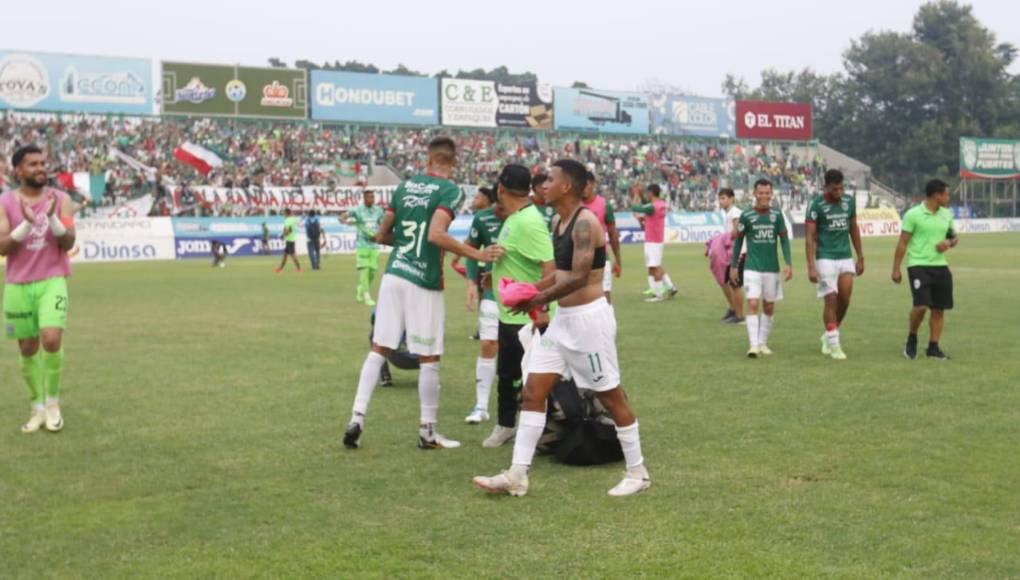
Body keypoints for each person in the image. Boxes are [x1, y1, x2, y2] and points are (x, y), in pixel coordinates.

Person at [473, 159, 650, 497]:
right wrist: (530, 290)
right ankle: (517, 474)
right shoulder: (558, 220)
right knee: (533, 391)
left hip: (589, 323)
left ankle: (637, 471)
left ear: (566, 186)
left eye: (550, 179)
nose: (543, 185)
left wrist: (535, 298)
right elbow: (561, 272)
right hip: (563, 322)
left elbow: (579, 276)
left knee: (610, 396)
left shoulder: (585, 224)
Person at [343, 137, 502, 451]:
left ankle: (357, 418)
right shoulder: (450, 190)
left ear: (428, 160)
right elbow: (436, 234)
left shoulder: (404, 187)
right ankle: (427, 431)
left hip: (394, 274)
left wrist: (404, 245)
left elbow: (381, 233)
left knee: (379, 348)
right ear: (452, 163)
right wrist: (477, 255)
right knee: (430, 357)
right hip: (424, 280)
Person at [0, 145, 76, 433]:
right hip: (18, 285)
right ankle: (37, 407)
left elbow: (68, 242)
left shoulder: (62, 199)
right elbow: (2, 246)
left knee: (52, 338)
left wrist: (53, 218)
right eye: (33, 164)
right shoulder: (5, 202)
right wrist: (27, 225)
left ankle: (53, 402)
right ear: (18, 170)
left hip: (52, 280)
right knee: (28, 347)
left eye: (43, 163)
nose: (40, 168)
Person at [483, 164, 555, 448]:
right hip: (510, 313)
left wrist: (543, 308)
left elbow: (550, 268)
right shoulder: (516, 217)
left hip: (528, 316)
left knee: (533, 377)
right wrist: (497, 272)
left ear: (501, 189)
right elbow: (519, 258)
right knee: (507, 373)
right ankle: (506, 425)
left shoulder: (529, 222)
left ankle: (541, 429)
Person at [892, 179, 957, 360]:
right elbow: (902, 242)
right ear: (937, 195)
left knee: (938, 309)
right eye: (946, 194)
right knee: (921, 306)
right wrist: (896, 269)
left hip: (941, 266)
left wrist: (948, 243)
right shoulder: (913, 215)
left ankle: (933, 347)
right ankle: (912, 338)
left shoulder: (946, 214)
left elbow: (954, 238)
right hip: (918, 265)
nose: (948, 197)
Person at [729, 179, 792, 358]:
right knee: (753, 303)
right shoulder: (747, 216)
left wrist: (788, 262)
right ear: (754, 194)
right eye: (761, 193)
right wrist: (734, 265)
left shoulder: (777, 215)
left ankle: (763, 342)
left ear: (771, 194)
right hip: (752, 268)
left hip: (772, 268)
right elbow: (739, 241)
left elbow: (784, 240)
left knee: (769, 306)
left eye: (767, 193)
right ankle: (753, 345)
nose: (764, 196)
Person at [805, 169, 863, 360]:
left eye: (841, 188)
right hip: (825, 259)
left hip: (845, 257)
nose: (839, 192)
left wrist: (860, 257)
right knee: (830, 299)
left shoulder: (849, 202)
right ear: (826, 187)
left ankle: (827, 335)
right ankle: (834, 345)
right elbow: (810, 237)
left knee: (844, 300)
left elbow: (854, 229)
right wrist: (811, 266)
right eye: (835, 189)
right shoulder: (816, 205)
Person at [462, 185, 504, 424]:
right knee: (488, 344)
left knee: (524, 352)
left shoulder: (529, 216)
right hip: (491, 293)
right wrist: (471, 284)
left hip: (523, 296)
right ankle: (481, 406)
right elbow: (470, 248)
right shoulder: (482, 219)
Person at [630, 183, 676, 302]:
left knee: (654, 267)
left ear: (651, 193)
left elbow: (635, 208)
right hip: (657, 239)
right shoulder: (661, 204)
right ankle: (668, 287)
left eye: (647, 193)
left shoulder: (652, 207)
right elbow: (647, 207)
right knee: (654, 265)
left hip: (652, 240)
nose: (646, 195)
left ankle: (659, 295)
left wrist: (636, 195)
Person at [581, 170, 621, 304]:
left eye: (585, 184)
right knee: (583, 298)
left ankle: (609, 325)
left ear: (593, 184)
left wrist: (618, 260)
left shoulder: (605, 205)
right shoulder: (574, 205)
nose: (583, 188)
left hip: (601, 258)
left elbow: (613, 234)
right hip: (578, 259)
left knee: (604, 296)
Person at [344, 189, 385, 306]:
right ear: (364, 198)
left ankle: (361, 288)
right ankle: (367, 296)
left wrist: (381, 234)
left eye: (373, 197)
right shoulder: (357, 210)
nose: (371, 199)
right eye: (369, 197)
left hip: (374, 246)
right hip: (362, 245)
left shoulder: (378, 210)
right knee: (365, 270)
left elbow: (382, 223)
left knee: (372, 272)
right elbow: (346, 214)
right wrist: (343, 218)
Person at [718, 188, 745, 323]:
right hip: (732, 252)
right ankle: (734, 310)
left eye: (724, 198)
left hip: (738, 253)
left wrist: (722, 239)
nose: (721, 201)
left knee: (735, 284)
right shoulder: (729, 213)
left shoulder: (735, 212)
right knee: (730, 283)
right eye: (720, 198)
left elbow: (737, 231)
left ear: (732, 198)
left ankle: (739, 315)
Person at [274, 208, 302, 273]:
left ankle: (299, 269)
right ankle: (280, 269)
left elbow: (287, 230)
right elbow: (290, 229)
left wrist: (282, 235)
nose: (283, 214)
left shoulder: (287, 220)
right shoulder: (293, 219)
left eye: (284, 213)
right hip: (291, 239)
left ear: (286, 213)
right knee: (285, 255)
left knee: (293, 255)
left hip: (290, 240)